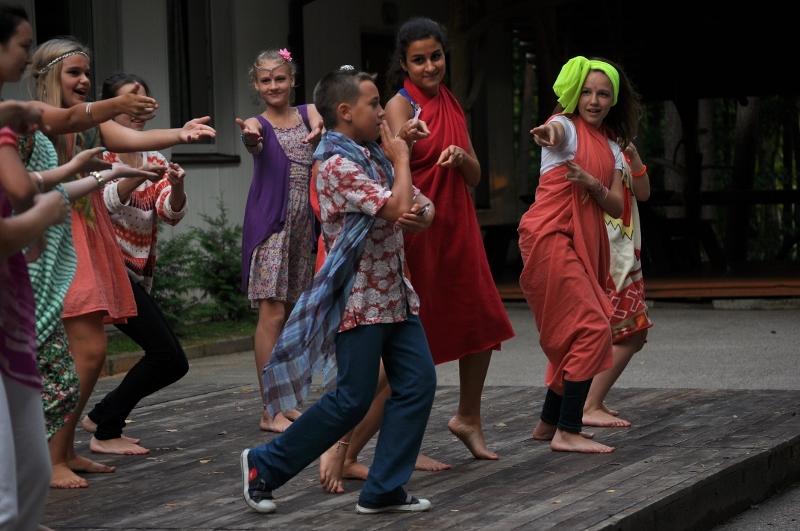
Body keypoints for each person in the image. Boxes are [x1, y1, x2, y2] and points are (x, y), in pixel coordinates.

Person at [318, 17, 514, 492]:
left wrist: (462, 158)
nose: (430, 66)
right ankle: (347, 446)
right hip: (413, 231)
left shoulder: (452, 101)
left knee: (482, 320)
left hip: (456, 224)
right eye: (419, 60)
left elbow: (475, 175)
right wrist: (406, 139)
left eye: (436, 56)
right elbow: (382, 160)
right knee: (402, 351)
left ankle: (468, 417)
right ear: (403, 64)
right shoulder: (398, 104)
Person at [240, 67, 436, 515]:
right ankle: (264, 465)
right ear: (346, 111)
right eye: (374, 103)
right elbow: (397, 205)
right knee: (352, 399)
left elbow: (419, 205)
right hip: (359, 300)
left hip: (394, 295)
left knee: (418, 382)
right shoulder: (335, 165)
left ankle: (384, 488)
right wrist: (403, 160)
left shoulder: (372, 154)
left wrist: (422, 212)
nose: (383, 111)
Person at [28, 36, 215, 488]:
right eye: (74, 72)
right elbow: (75, 119)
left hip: (87, 234)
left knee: (89, 353)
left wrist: (181, 133)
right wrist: (116, 104)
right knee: (88, 352)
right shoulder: (37, 119)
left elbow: (135, 138)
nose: (84, 80)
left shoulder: (89, 125)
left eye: (86, 73)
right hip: (57, 235)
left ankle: (63, 450)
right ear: (48, 76)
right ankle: (48, 457)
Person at [518, 55, 641, 453]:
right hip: (551, 236)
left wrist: (591, 182)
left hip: (586, 243)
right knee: (592, 327)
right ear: (575, 94)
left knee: (579, 330)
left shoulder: (612, 147)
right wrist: (547, 132)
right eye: (586, 92)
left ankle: (548, 423)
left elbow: (616, 205)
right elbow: (554, 131)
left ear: (613, 100)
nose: (593, 100)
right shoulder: (566, 128)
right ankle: (567, 430)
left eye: (603, 94)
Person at [77, 72, 191, 455]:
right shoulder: (101, 153)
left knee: (175, 362)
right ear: (112, 107)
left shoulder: (155, 157)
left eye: (145, 102)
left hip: (135, 275)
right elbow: (103, 203)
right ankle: (105, 429)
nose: (139, 110)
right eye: (131, 101)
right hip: (108, 269)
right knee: (164, 354)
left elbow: (169, 213)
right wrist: (133, 177)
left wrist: (176, 185)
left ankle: (101, 416)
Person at [235, 48, 323, 433]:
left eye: (280, 78)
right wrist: (250, 139)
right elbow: (253, 142)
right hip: (272, 226)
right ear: (256, 86)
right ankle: (269, 410)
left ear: (292, 80)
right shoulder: (257, 123)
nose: (273, 85)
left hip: (303, 228)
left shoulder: (308, 113)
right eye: (265, 80)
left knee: (289, 316)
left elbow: (319, 117)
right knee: (271, 314)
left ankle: (285, 403)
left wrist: (319, 126)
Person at [0, 103, 64, 531]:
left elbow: (22, 189)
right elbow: (24, 192)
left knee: (32, 474)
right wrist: (41, 216)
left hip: (8, 319)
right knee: (6, 501)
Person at [582, 143, 652, 427]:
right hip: (607, 254)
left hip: (624, 252)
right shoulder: (588, 148)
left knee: (616, 333)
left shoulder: (619, 151)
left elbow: (643, 194)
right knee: (632, 331)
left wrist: (633, 156)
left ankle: (591, 400)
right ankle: (589, 404)